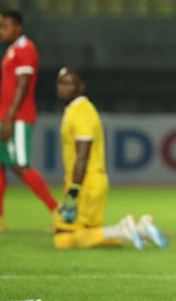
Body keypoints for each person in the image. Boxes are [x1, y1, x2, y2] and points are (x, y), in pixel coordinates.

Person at [53, 68, 167, 250]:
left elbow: (83, 154)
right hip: (90, 181)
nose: (62, 87)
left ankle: (123, 230)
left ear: (81, 87)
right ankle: (139, 229)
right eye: (60, 83)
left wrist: (74, 190)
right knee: (91, 234)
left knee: (63, 239)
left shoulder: (81, 112)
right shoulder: (76, 109)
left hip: (84, 183)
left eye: (69, 83)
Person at [0, 11, 58, 232]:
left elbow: (23, 85)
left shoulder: (25, 49)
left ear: (18, 28)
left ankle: (60, 213)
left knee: (19, 166)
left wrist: (9, 118)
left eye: (5, 26)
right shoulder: (12, 50)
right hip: (3, 115)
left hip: (17, 117)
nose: (1, 31)